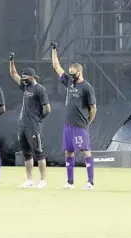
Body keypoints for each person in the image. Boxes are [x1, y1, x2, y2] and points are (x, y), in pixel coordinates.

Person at [51, 42, 97, 190]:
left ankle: (90, 182)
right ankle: (70, 182)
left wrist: (88, 121)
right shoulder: (69, 82)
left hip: (80, 125)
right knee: (68, 152)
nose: (71, 75)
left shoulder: (87, 87)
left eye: (73, 73)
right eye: (70, 73)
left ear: (80, 72)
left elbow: (93, 108)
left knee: (85, 151)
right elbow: (56, 66)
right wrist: (54, 50)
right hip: (68, 124)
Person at [9, 53, 51, 188]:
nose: (23, 79)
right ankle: (29, 180)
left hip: (34, 126)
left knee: (39, 152)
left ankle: (43, 180)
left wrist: (38, 118)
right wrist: (11, 61)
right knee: (26, 153)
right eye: (23, 77)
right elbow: (13, 74)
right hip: (23, 125)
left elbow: (47, 109)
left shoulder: (40, 89)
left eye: (26, 77)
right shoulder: (26, 87)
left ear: (32, 77)